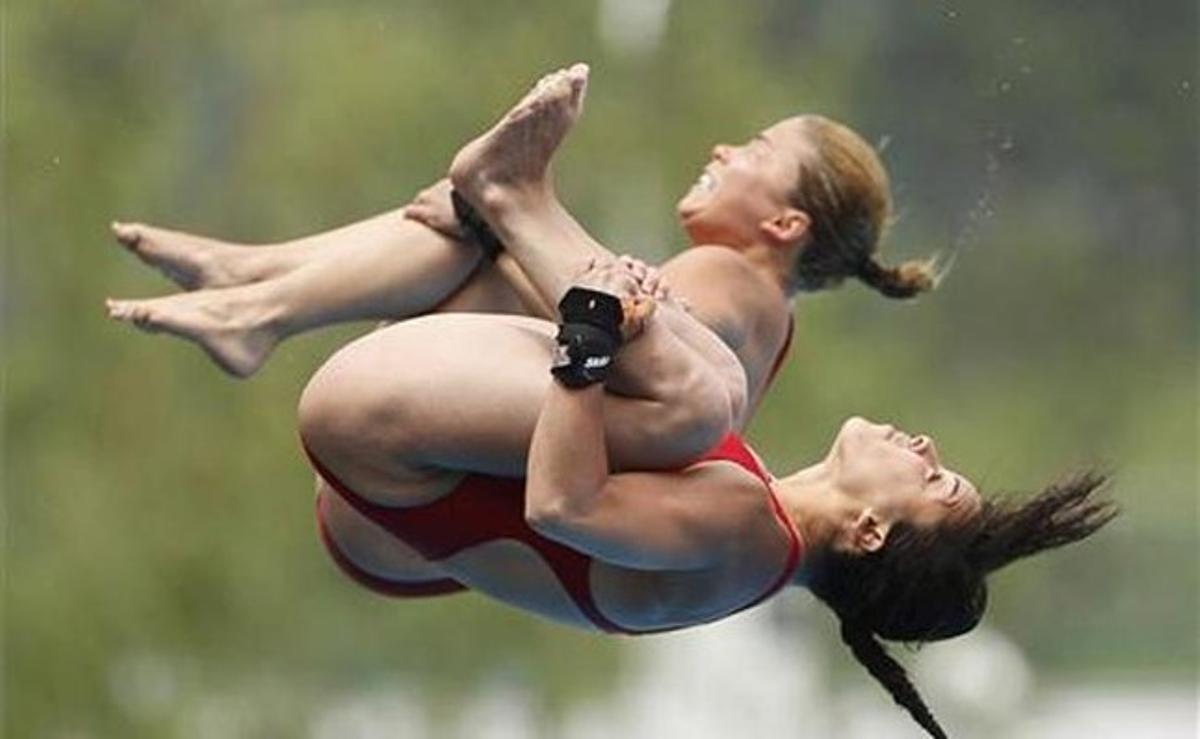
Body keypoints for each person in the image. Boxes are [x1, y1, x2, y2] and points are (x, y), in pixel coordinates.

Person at [293, 66, 1117, 739]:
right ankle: (254, 301)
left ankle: (511, 199)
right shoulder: (752, 538)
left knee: (703, 399)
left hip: (380, 438)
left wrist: (590, 335)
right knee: (681, 379)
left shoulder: (749, 534)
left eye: (935, 481)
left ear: (869, 530)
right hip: (380, 491)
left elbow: (559, 503)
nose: (929, 447)